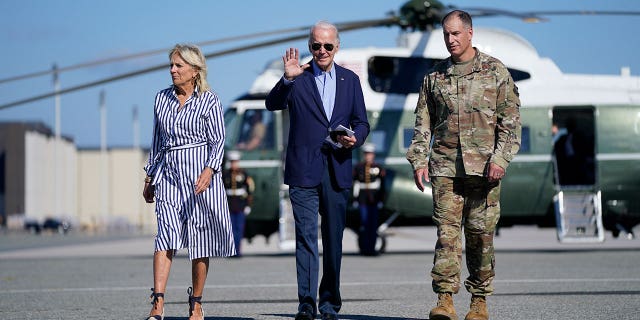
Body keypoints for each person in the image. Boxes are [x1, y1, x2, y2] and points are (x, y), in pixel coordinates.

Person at [406, 10, 521, 320]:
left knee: (481, 237)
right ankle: (444, 301)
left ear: (470, 33)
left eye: (456, 33)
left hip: (485, 172)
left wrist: (499, 160)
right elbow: (422, 126)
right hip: (445, 170)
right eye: (446, 34)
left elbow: (511, 125)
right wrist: (419, 160)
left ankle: (479, 302)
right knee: (447, 237)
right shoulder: (434, 77)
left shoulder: (496, 72)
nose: (450, 39)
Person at [265, 21, 369, 320]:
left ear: (337, 47)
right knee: (306, 237)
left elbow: (362, 122)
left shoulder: (350, 80)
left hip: (337, 168)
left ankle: (329, 303)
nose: (321, 51)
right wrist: (286, 79)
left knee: (334, 239)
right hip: (303, 170)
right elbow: (272, 104)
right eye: (315, 45)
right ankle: (306, 304)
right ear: (310, 46)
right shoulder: (297, 77)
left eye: (327, 46)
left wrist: (355, 138)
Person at [142, 43, 235, 320]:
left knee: (200, 240)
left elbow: (218, 140)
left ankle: (196, 302)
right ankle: (158, 303)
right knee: (165, 237)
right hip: (169, 176)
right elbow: (157, 141)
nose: (172, 70)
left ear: (194, 70)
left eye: (178, 66)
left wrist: (210, 169)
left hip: (200, 179)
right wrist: (149, 176)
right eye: (171, 65)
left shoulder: (210, 100)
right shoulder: (161, 99)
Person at [352, 143, 386, 256]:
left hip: (374, 199)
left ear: (373, 155)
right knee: (364, 224)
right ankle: (365, 248)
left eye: (370, 154)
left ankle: (372, 248)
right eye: (366, 154)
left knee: (373, 224)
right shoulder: (358, 167)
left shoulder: (378, 167)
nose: (368, 156)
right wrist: (355, 199)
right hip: (362, 199)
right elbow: (355, 184)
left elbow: (382, 185)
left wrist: (381, 200)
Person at [222, 150, 254, 256]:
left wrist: (248, 205)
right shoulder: (225, 174)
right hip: (229, 204)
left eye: (235, 162)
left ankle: (237, 251)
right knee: (230, 229)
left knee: (239, 229)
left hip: (240, 205)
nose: (234, 164)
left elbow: (249, 189)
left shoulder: (243, 173)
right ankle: (231, 250)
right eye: (232, 162)